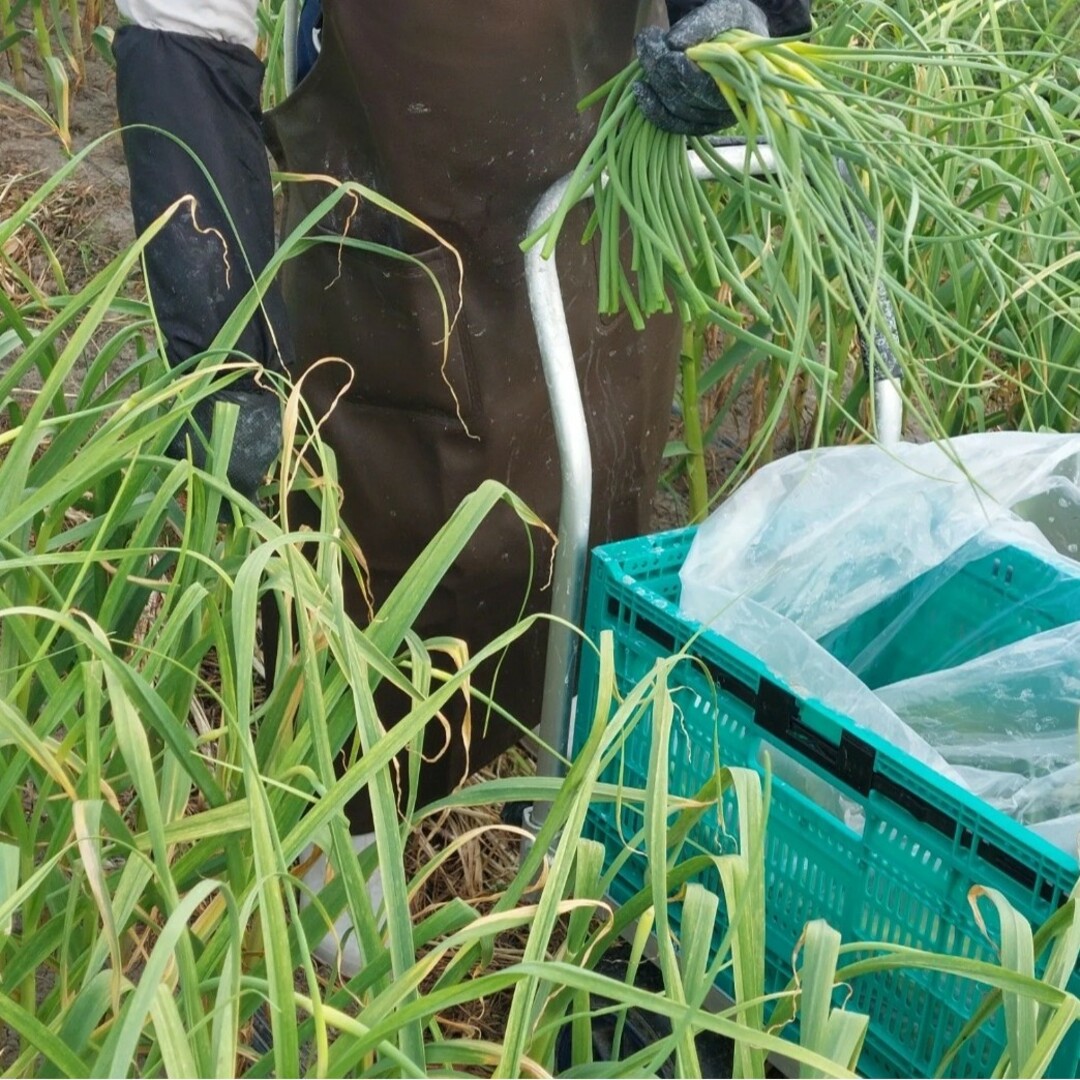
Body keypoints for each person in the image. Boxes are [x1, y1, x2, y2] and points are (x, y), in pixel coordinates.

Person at [113, 0, 813, 975]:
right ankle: (343, 964)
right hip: (392, 286)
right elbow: (182, 44)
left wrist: (738, 20)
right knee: (370, 613)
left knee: (584, 558)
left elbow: (746, 18)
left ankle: (560, 889)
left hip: (594, 245)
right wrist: (224, 360)